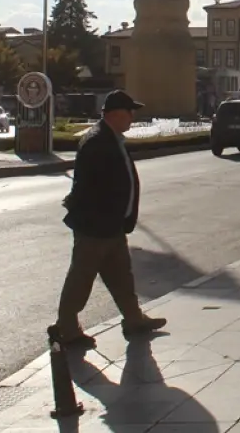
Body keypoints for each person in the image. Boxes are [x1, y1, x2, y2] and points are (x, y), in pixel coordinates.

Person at [56, 90, 168, 348]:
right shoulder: (97, 142)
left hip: (111, 226)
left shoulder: (111, 138)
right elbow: (88, 186)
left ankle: (134, 320)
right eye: (129, 112)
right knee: (81, 279)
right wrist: (97, 215)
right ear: (116, 114)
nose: (132, 117)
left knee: (121, 277)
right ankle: (67, 329)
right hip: (95, 227)